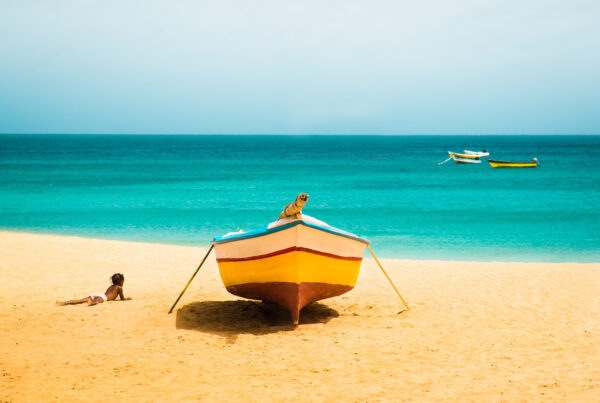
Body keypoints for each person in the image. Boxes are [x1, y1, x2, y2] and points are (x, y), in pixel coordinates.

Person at [55, 273, 132, 306]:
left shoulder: (111, 286)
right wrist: (127, 299)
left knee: (81, 300)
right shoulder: (119, 287)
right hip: (103, 297)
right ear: (121, 281)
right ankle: (91, 302)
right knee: (96, 302)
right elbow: (122, 298)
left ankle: (63, 303)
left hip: (99, 294)